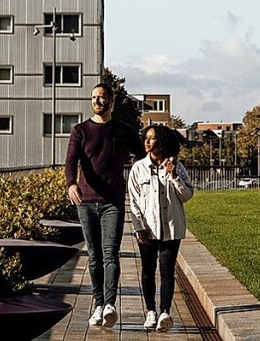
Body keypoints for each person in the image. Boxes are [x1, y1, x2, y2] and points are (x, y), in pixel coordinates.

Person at [64, 82, 143, 329]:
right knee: (94, 256)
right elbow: (70, 161)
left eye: (102, 97)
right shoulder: (81, 130)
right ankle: (98, 304)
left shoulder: (123, 131)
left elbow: (142, 157)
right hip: (86, 202)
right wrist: (71, 184)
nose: (97, 101)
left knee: (111, 254)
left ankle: (109, 304)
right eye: (94, 98)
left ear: (112, 101)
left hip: (113, 203)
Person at [128, 124, 193, 333]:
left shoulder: (176, 166)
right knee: (148, 271)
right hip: (148, 229)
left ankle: (165, 312)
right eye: (146, 137)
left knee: (167, 271)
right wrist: (139, 227)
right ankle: (150, 311)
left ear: (162, 142)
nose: (147, 141)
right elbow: (134, 201)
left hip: (171, 229)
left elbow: (187, 195)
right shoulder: (138, 168)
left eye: (152, 138)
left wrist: (173, 175)